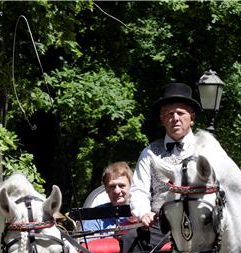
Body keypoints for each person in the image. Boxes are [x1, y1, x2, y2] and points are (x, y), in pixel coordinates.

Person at [130, 82, 202, 229]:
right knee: (131, 241)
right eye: (169, 114)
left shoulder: (205, 150)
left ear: (192, 118)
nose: (175, 118)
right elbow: (139, 190)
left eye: (181, 113)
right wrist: (144, 213)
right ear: (162, 119)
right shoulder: (149, 153)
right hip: (161, 224)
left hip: (199, 224)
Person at [81, 162, 133, 232]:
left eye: (121, 185)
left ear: (131, 186)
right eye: (112, 186)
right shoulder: (96, 215)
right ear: (106, 189)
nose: (117, 191)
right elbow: (88, 242)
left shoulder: (142, 212)